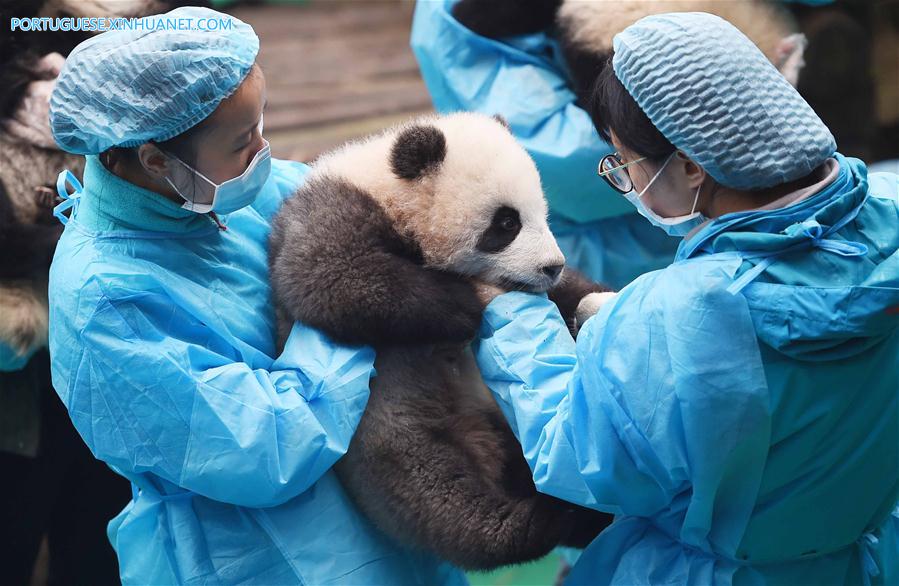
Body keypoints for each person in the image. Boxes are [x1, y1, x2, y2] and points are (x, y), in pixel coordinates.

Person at [474, 12, 898, 586]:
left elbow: (576, 457)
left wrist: (509, 311)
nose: (625, 178)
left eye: (625, 163)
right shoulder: (888, 220)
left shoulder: (674, 315)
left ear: (692, 166)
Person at [46, 7, 464, 585]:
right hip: (254, 556)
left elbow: (350, 208)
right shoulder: (106, 301)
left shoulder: (214, 199)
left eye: (261, 125)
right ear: (154, 161)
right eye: (244, 141)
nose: (264, 150)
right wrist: (350, 299)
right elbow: (270, 444)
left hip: (383, 523)